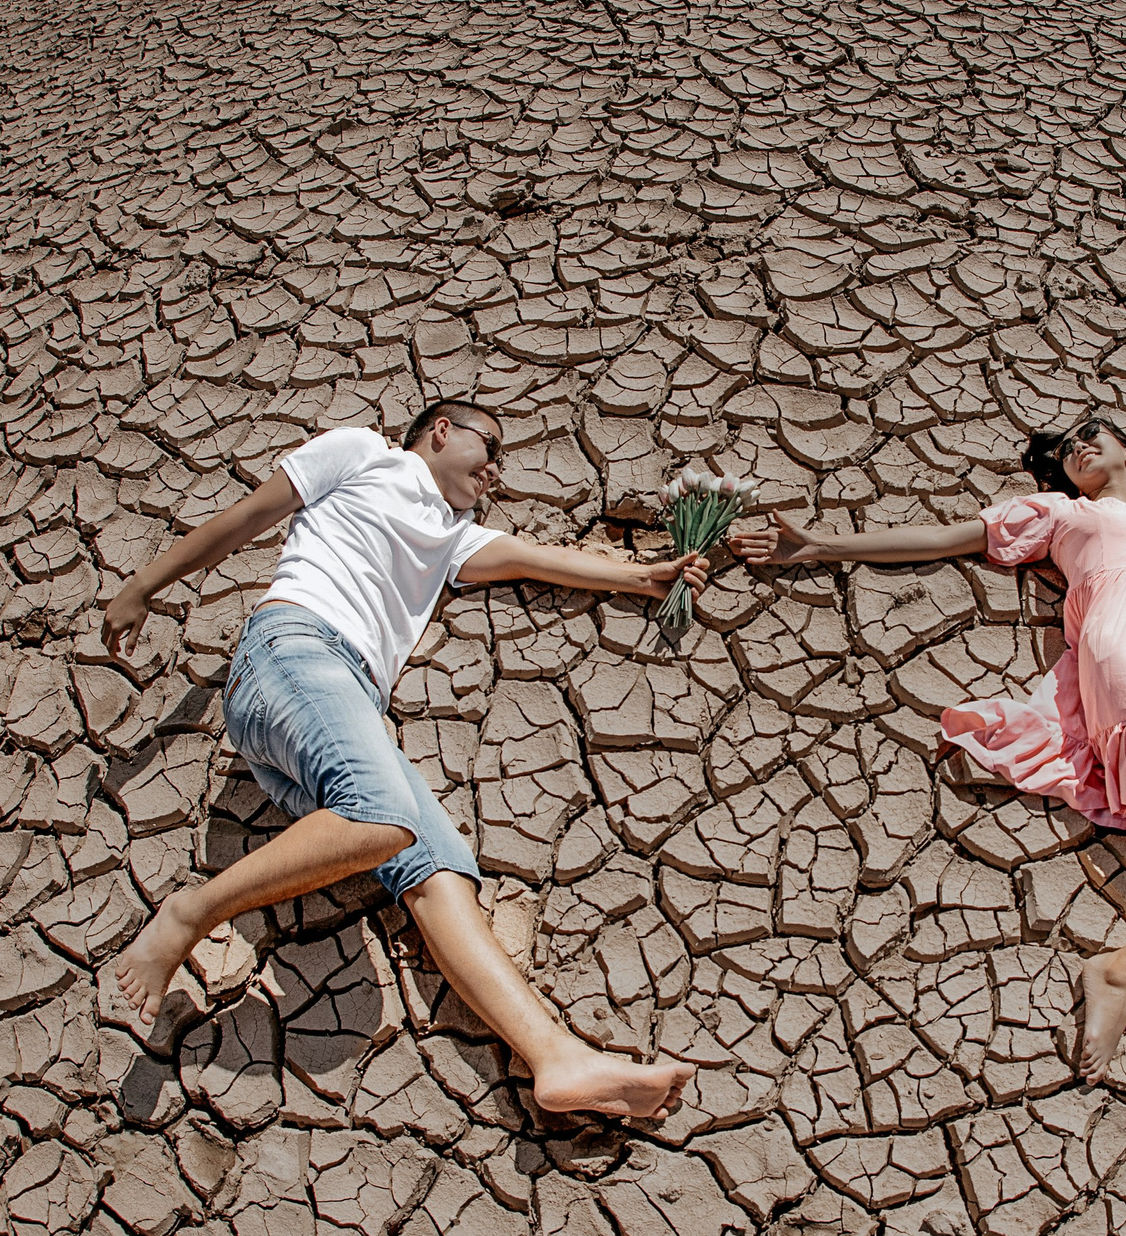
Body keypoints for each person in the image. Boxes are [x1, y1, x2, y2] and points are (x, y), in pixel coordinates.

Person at [730, 416, 1126, 1176]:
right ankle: (1125, 968)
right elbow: (946, 539)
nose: (1076, 449)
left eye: (1090, 436)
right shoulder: (1069, 514)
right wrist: (821, 545)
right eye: (1065, 451)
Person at [100, 400, 699, 1122]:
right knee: (383, 816)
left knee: (437, 870)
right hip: (294, 650)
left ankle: (554, 1056)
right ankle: (188, 912)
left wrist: (647, 577)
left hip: (340, 711)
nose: (497, 469)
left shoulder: (456, 538)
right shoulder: (363, 453)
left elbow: (544, 561)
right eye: (491, 445)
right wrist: (142, 586)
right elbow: (245, 519)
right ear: (440, 429)